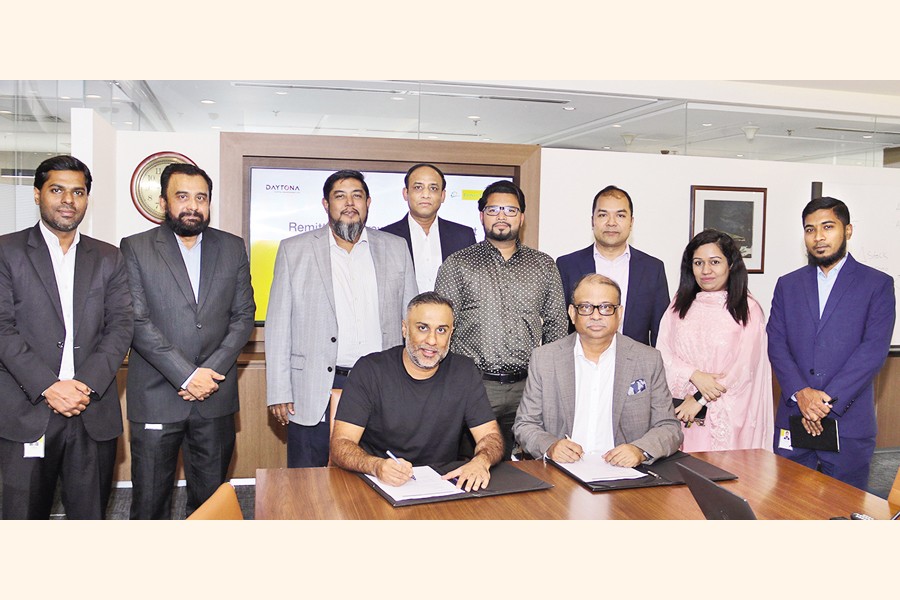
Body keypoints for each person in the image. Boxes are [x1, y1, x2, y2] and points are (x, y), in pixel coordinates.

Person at [0, 155, 133, 519]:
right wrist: (49, 386)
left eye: (78, 192)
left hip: (92, 410)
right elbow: (2, 327)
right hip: (27, 412)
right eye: (57, 190)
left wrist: (83, 384)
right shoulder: (6, 252)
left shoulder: (109, 256)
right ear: (37, 194)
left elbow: (121, 325)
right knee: (22, 521)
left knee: (89, 521)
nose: (68, 200)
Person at [120, 162, 255, 519]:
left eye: (201, 198)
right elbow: (137, 320)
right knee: (150, 505)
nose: (192, 206)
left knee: (211, 507)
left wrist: (207, 374)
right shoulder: (136, 248)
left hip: (215, 395)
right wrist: (186, 375)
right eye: (182, 197)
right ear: (164, 203)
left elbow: (244, 317)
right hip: (156, 397)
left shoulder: (232, 247)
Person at [266, 169, 417, 468]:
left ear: (368, 202)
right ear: (326, 204)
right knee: (309, 478)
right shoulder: (294, 250)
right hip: (315, 386)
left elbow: (411, 320)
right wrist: (279, 390)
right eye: (340, 196)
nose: (349, 203)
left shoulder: (395, 247)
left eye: (357, 196)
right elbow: (278, 326)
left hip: (381, 383)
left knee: (377, 473)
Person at [768, 196, 895, 490]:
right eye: (810, 229)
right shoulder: (788, 284)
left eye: (828, 227)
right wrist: (802, 394)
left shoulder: (877, 284)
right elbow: (776, 343)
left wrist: (823, 403)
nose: (818, 237)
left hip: (847, 423)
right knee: (788, 507)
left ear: (847, 230)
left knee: (843, 509)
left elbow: (873, 351)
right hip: (794, 419)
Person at [435, 180, 568, 457]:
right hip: (474, 386)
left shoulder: (543, 265)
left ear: (522, 217)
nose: (501, 216)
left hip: (528, 387)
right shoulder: (458, 264)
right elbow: (441, 327)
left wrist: (548, 380)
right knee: (472, 464)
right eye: (493, 209)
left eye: (510, 210)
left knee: (526, 466)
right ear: (481, 215)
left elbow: (557, 325)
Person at [330, 292, 504, 490]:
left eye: (441, 330)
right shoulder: (369, 370)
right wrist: (375, 466)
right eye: (423, 328)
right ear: (405, 329)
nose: (432, 340)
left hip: (441, 486)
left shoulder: (464, 371)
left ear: (451, 333)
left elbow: (490, 437)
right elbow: (341, 444)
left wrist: (481, 461)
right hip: (376, 484)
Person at [513, 274, 682, 464]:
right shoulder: (545, 358)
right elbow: (525, 424)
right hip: (562, 469)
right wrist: (550, 446)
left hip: (625, 471)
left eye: (606, 307)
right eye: (585, 307)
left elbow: (669, 427)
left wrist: (640, 450)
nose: (595, 316)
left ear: (619, 313)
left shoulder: (648, 359)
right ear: (572, 313)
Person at [656, 229, 774, 451]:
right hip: (682, 411)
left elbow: (743, 368)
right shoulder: (678, 305)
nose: (706, 270)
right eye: (698, 263)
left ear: (731, 265)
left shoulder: (748, 309)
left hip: (727, 415)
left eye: (715, 262)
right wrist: (694, 375)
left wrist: (699, 399)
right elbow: (663, 352)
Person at [556, 185, 669, 346]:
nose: (611, 223)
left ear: (631, 222)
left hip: (635, 360)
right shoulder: (567, 266)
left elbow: (662, 334)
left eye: (620, 215)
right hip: (580, 359)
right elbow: (558, 327)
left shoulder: (652, 269)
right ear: (592, 221)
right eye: (603, 215)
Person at [381, 163, 476, 291]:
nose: (426, 194)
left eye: (433, 188)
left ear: (442, 195)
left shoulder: (463, 236)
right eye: (418, 187)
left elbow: (472, 287)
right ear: (406, 193)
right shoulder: (386, 237)